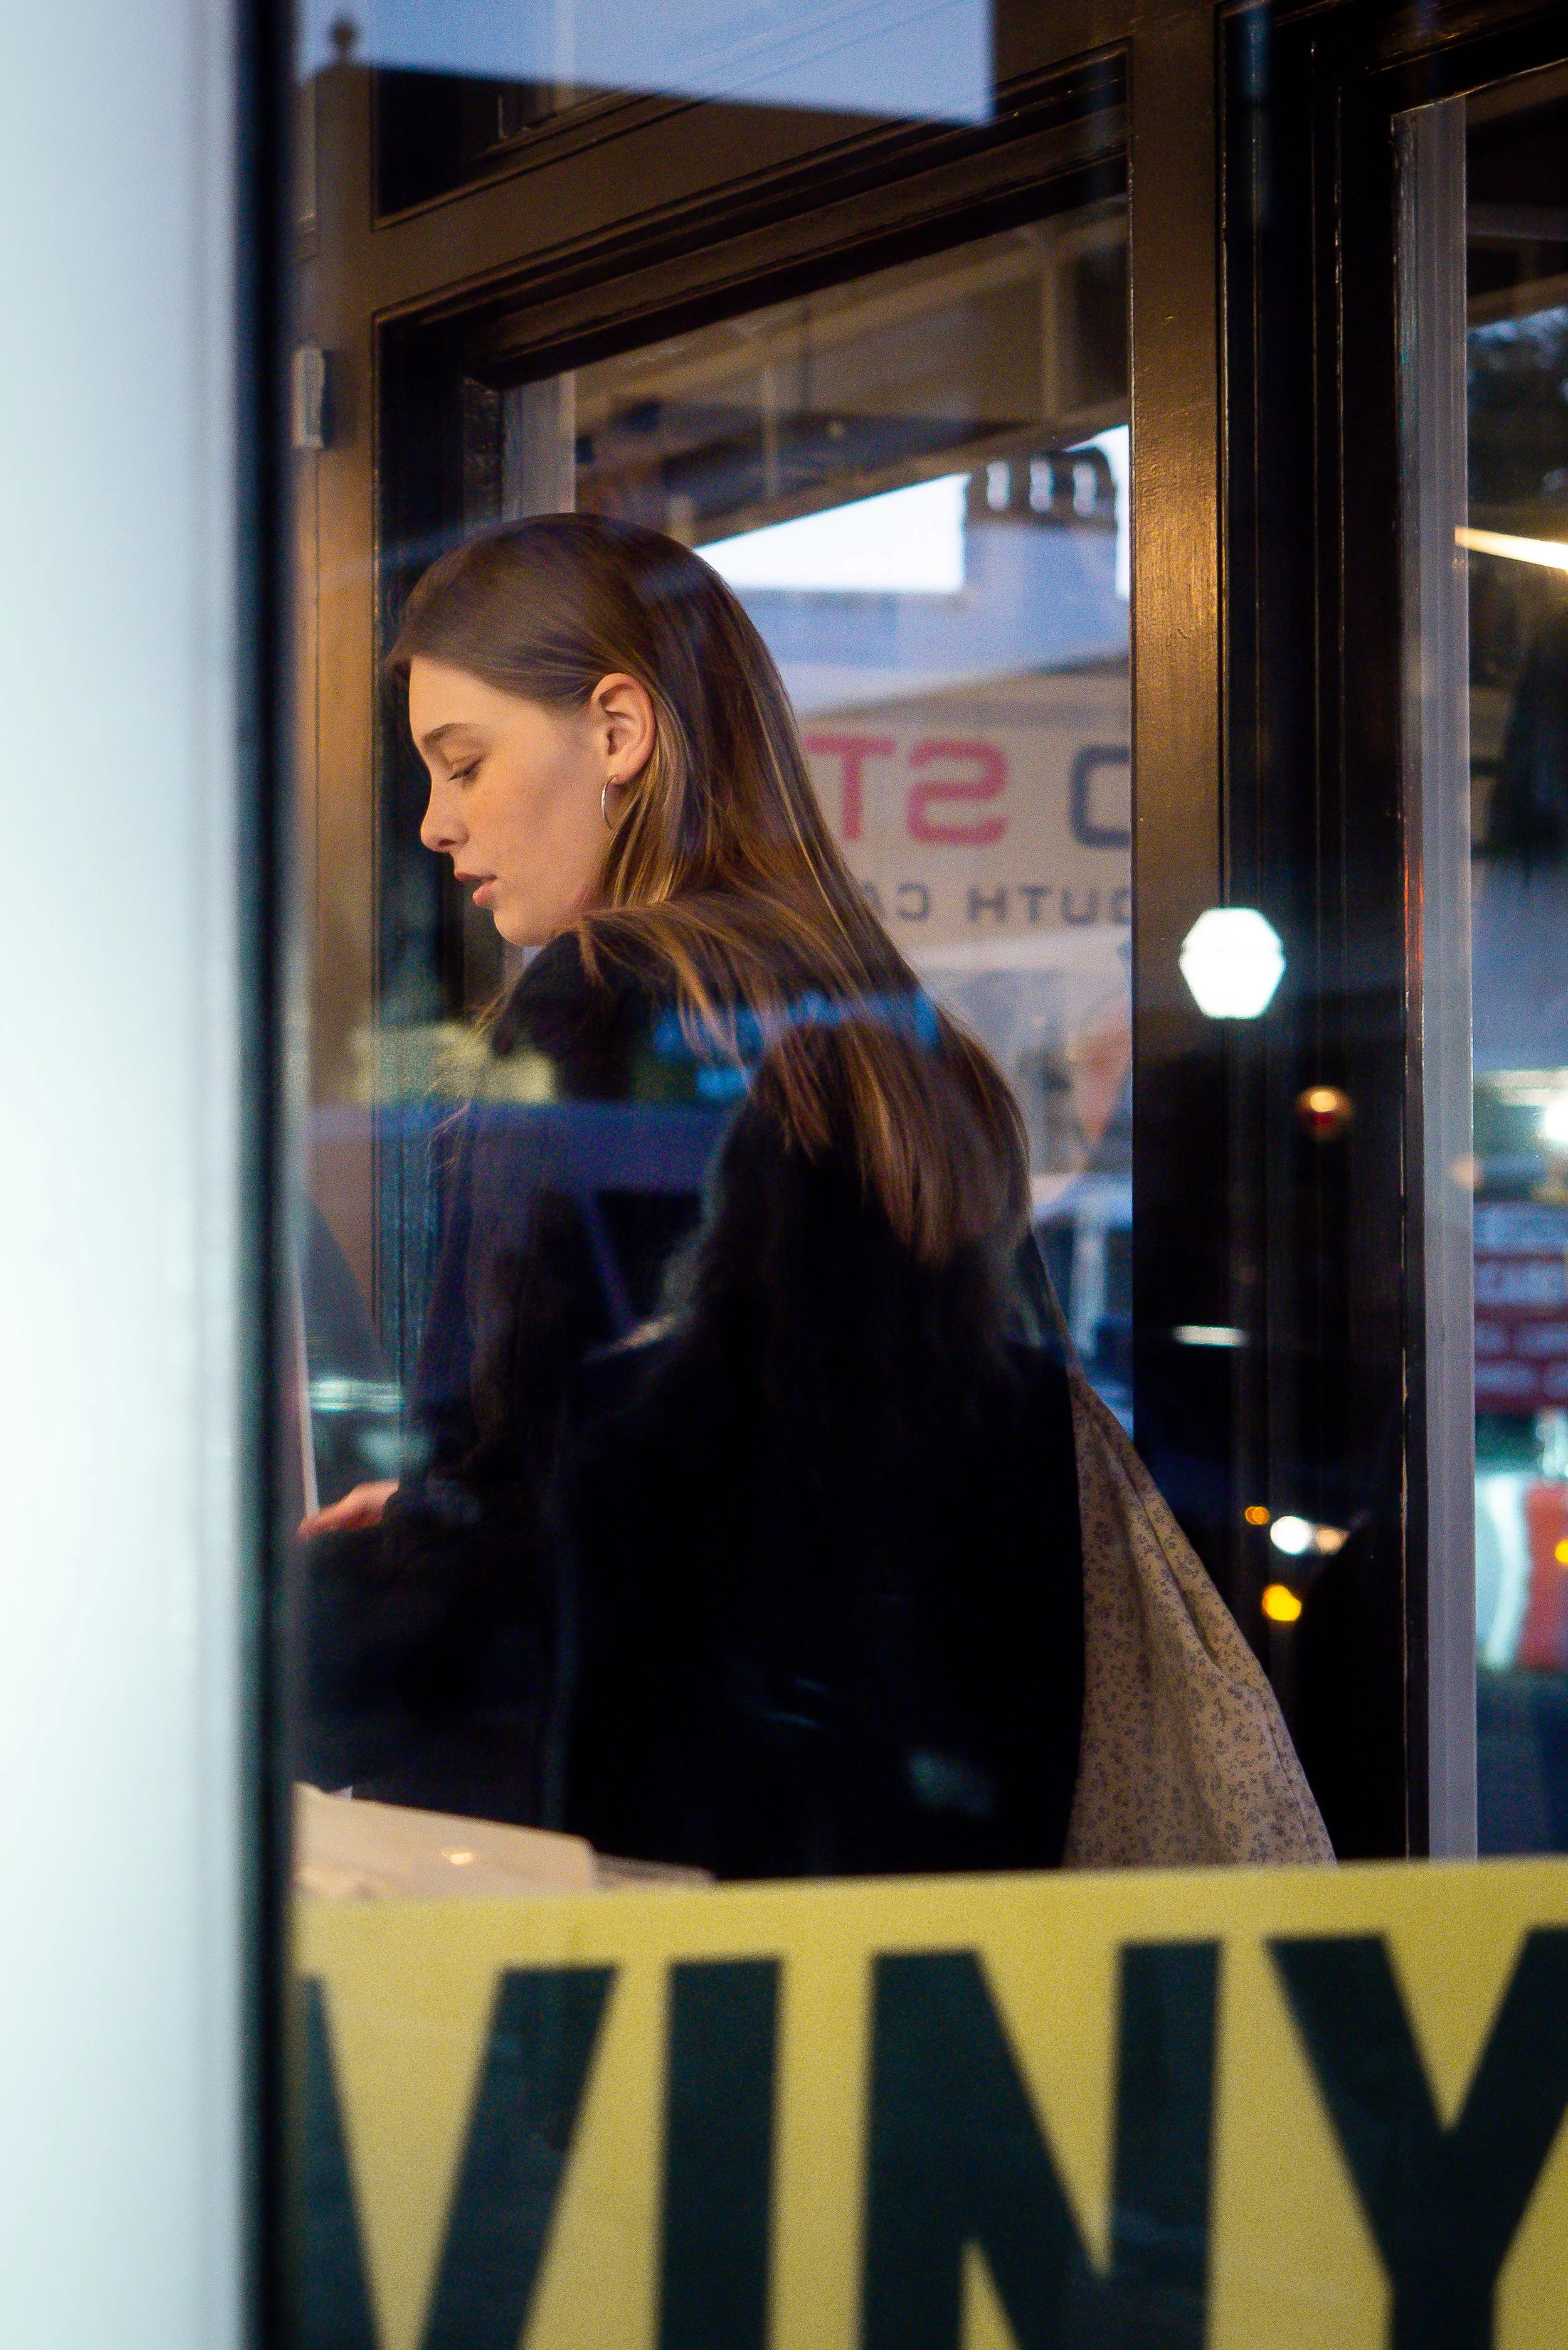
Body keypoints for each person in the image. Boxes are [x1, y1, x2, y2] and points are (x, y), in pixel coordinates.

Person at [295, 513, 1088, 1875]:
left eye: (463, 762)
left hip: (640, 1892)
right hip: (918, 1898)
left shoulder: (604, 1008)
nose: (436, 823)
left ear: (617, 729)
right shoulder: (911, 1056)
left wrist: (308, 1613)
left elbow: (538, 1559)